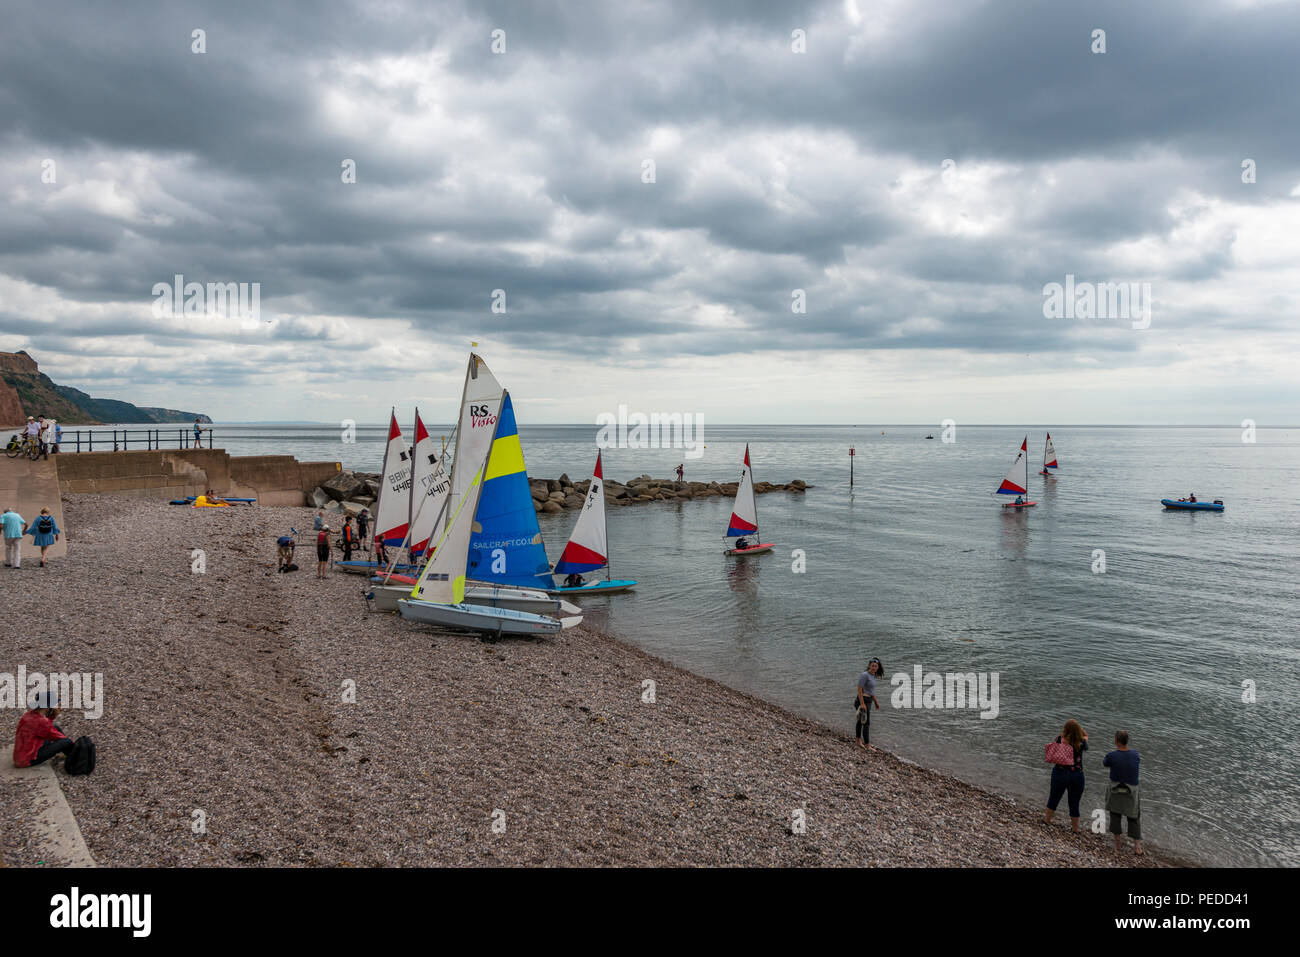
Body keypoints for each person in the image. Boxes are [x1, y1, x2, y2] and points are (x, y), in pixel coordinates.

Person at [1044, 719, 1088, 833]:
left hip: (1060, 772)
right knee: (1074, 802)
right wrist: (1083, 732)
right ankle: (1075, 829)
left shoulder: (1059, 739)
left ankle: (1047, 820)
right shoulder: (1081, 742)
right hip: (1077, 775)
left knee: (1054, 797)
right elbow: (1086, 739)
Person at [1102, 730, 1143, 856]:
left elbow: (1105, 763)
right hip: (1131, 791)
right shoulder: (1135, 754)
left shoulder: (1111, 755)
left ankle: (1118, 845)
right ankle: (1137, 847)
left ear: (1116, 741)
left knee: (1115, 815)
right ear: (1127, 741)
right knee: (1134, 817)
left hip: (1116, 789)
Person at [13, 692, 74, 768]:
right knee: (66, 741)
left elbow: (45, 728)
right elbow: (58, 737)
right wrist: (71, 744)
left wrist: (51, 717)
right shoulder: (42, 721)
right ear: (47, 707)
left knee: (55, 727)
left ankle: (71, 753)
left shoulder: (28, 715)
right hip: (28, 760)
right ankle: (74, 756)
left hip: (20, 756)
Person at [855, 657, 884, 749]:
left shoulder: (873, 676)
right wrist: (862, 703)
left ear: (878, 667)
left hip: (869, 701)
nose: (874, 667)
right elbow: (859, 689)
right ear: (869, 666)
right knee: (866, 723)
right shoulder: (865, 675)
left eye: (876, 666)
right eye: (872, 666)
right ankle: (867, 744)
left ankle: (858, 740)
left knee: (861, 721)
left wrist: (876, 702)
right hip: (862, 700)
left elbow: (871, 691)